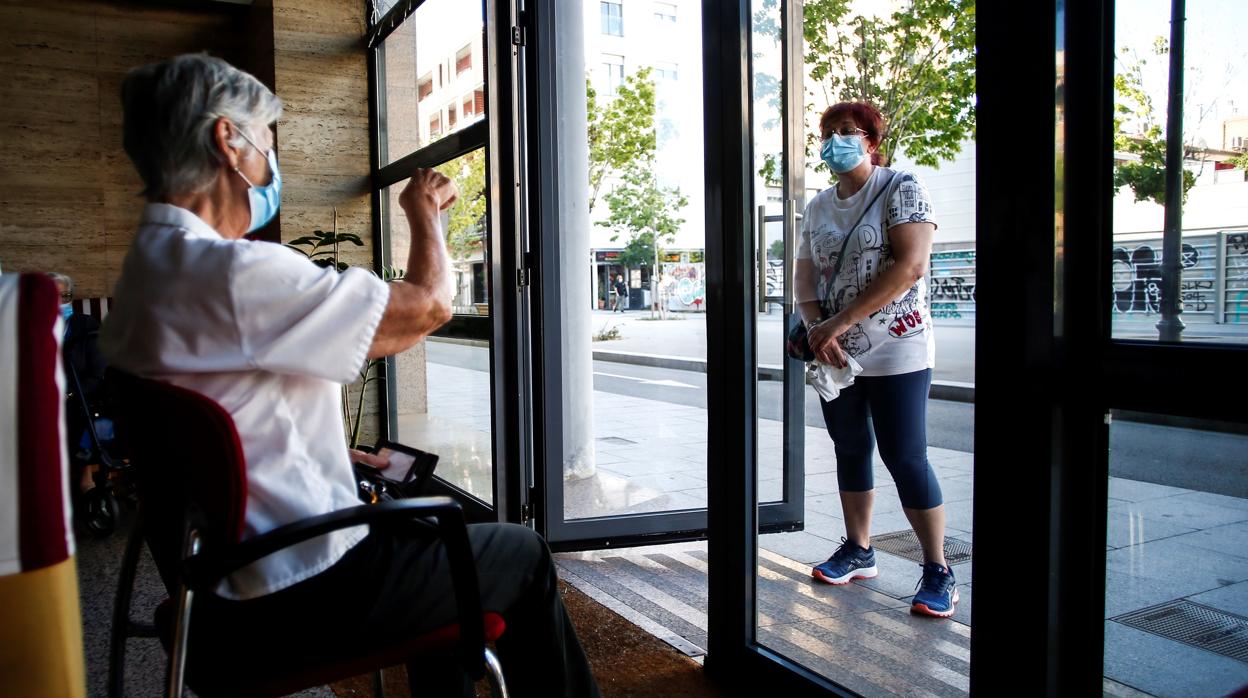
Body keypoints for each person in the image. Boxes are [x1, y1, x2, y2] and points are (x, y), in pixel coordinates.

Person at [100, 54, 600, 696]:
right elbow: (428, 306)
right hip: (300, 591)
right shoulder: (231, 274)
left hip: (217, 584)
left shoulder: (145, 273)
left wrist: (331, 453)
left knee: (432, 544)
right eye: (268, 144)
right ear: (229, 141)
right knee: (522, 553)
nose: (271, 165)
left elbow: (230, 421)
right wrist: (426, 218)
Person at [794, 101, 956, 618]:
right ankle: (859, 550)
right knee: (849, 447)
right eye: (828, 132)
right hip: (835, 353)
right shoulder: (818, 205)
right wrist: (820, 330)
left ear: (870, 140)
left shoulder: (901, 187)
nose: (836, 139)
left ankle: (938, 569)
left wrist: (835, 324)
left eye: (848, 131)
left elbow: (910, 267)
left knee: (905, 454)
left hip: (897, 347)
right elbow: (804, 275)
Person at [47, 272, 111, 491]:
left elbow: (98, 373)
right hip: (46, 394)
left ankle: (86, 477)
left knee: (79, 411)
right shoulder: (36, 329)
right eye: (54, 297)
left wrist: (69, 393)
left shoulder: (86, 325)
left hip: (83, 393)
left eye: (65, 296)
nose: (61, 302)